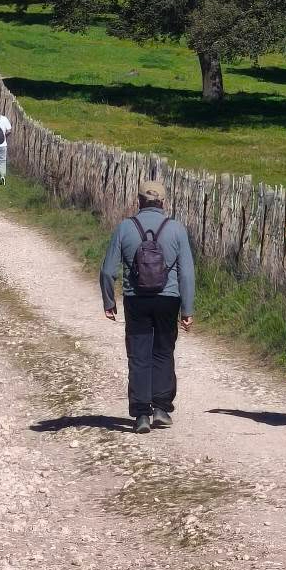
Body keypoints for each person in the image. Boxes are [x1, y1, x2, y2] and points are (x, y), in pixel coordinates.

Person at [99, 179, 195, 434]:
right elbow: (186, 273)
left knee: (139, 355)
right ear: (163, 202)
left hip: (136, 299)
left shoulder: (125, 228)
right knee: (163, 351)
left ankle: (142, 414)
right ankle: (161, 408)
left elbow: (108, 271)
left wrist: (109, 301)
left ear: (139, 201)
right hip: (168, 299)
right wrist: (187, 310)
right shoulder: (176, 229)